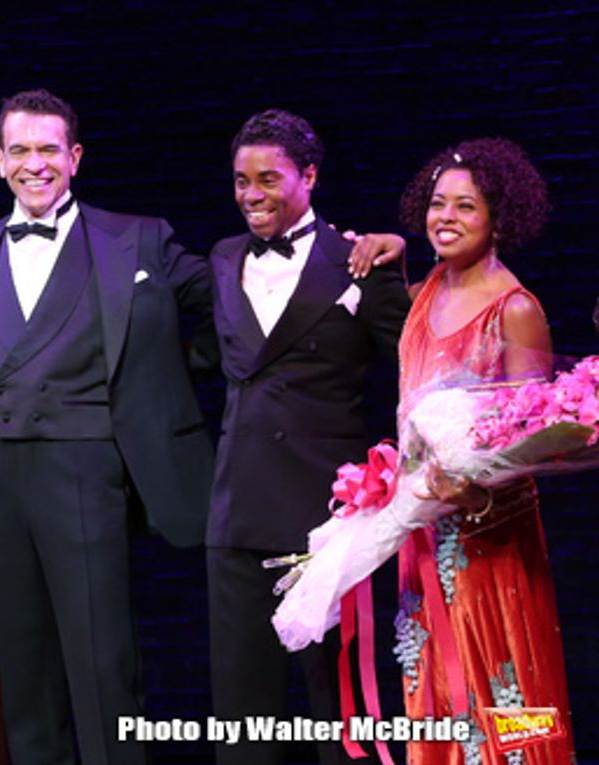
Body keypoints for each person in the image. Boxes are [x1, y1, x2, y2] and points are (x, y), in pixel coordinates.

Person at [0, 88, 217, 765]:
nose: (34, 164)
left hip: (83, 466)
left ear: (75, 157)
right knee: (23, 671)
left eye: (49, 149)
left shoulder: (136, 238)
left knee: (102, 664)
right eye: (19, 150)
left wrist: (175, 364)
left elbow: (233, 301)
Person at [205, 109, 411, 765]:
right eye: (241, 181)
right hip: (238, 513)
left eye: (268, 178)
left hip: (328, 518)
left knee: (342, 715)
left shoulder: (359, 262)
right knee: (242, 718)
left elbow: (416, 365)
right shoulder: (223, 258)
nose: (252, 194)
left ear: (310, 176)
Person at [393, 137, 572, 763]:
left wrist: (472, 496)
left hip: (490, 546)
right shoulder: (423, 294)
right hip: (422, 538)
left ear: (499, 220)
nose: (446, 217)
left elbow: (533, 447)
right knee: (434, 702)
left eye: (465, 206)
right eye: (438, 203)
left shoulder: (514, 310)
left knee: (504, 708)